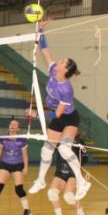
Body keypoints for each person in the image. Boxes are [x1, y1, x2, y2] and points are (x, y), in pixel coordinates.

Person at [27, 22, 91, 201]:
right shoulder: (53, 70)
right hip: (58, 115)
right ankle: (40, 181)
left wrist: (37, 115)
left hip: (69, 118)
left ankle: (81, 182)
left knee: (63, 148)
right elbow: (44, 49)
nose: (58, 62)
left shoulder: (66, 89)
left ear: (66, 70)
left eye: (62, 63)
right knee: (46, 150)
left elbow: (57, 114)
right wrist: (40, 30)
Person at [0, 119, 30, 215]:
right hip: (5, 164)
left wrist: (26, 167)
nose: (12, 125)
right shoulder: (3, 138)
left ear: (18, 128)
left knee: (19, 189)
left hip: (18, 165)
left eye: (15, 124)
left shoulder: (22, 140)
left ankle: (27, 209)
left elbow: (25, 155)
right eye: (11, 124)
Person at [48, 151, 89, 215]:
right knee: (51, 194)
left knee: (68, 197)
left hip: (73, 174)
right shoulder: (59, 141)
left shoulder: (78, 142)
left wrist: (79, 165)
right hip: (60, 173)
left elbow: (85, 156)